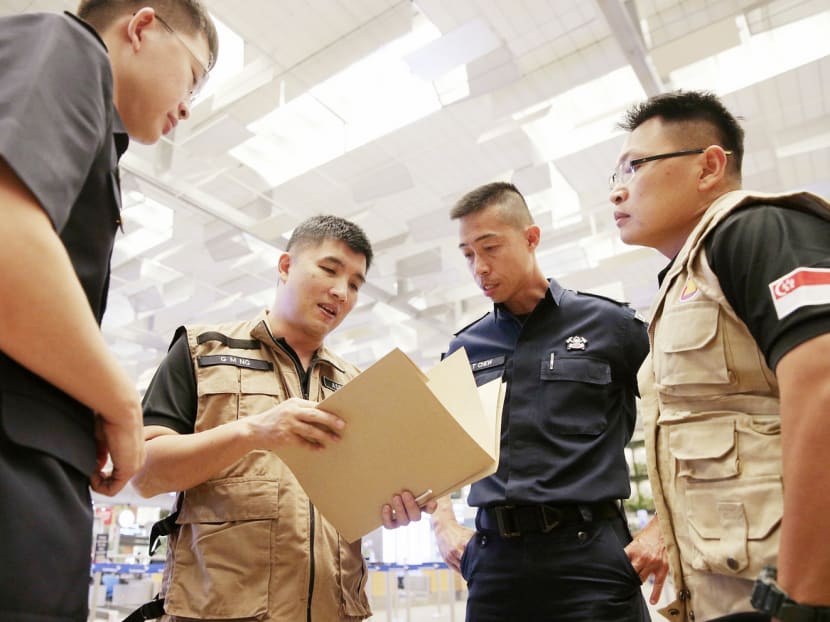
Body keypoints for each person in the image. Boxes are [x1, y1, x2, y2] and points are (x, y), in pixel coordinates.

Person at [0, 2, 217, 620]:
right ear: (143, 27)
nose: (188, 104)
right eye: (193, 76)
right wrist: (118, 401)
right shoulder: (65, 46)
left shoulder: (99, 137)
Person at [131, 215, 427, 622]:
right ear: (286, 267)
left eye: (356, 284)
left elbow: (358, 500)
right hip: (220, 614)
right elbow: (145, 473)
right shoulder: (202, 353)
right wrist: (253, 431)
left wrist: (392, 505)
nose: (342, 292)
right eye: (329, 269)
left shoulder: (355, 385)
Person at [610, 90, 830, 621]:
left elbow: (823, 384)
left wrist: (802, 602)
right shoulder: (687, 279)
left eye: (634, 167)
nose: (617, 192)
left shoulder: (757, 231)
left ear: (709, 166)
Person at [428, 182, 669, 621]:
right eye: (467, 255)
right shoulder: (465, 348)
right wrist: (443, 523)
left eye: (490, 247)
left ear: (531, 238)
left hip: (589, 559)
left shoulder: (611, 326)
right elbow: (435, 446)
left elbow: (682, 416)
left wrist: (661, 528)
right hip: (494, 564)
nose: (479, 268)